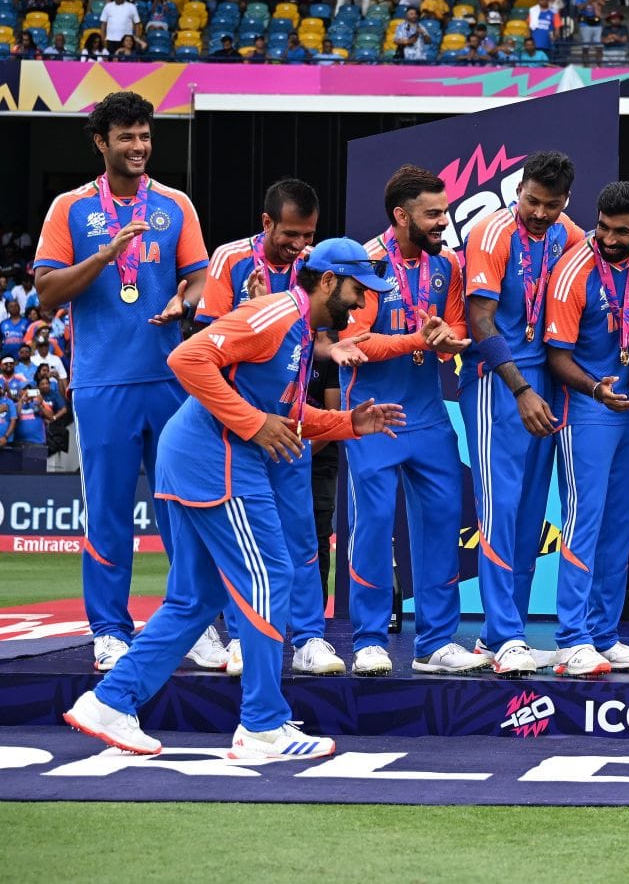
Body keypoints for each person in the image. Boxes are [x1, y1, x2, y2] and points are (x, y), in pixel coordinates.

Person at [62, 241, 405, 762]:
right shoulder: (275, 314)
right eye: (358, 292)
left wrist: (348, 424)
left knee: (194, 600)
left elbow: (284, 415)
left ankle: (109, 703)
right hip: (214, 461)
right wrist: (252, 423)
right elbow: (187, 357)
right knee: (272, 575)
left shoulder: (298, 328)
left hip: (199, 458)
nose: (361, 305)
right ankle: (262, 726)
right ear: (329, 281)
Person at [33, 92, 207, 673]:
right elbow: (49, 292)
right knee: (107, 510)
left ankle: (193, 619)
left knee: (184, 507)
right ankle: (109, 629)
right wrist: (105, 256)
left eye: (145, 136)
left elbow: (200, 282)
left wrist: (183, 300)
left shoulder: (175, 204)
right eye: (126, 137)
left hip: (171, 379)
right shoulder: (70, 209)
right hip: (102, 381)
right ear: (100, 142)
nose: (138, 147)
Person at [335, 166, 490, 677]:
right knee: (374, 527)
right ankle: (370, 640)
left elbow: (456, 324)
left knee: (444, 525)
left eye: (445, 211)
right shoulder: (364, 261)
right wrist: (421, 340)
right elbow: (357, 344)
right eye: (433, 214)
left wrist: (449, 336)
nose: (443, 222)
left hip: (428, 417)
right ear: (401, 216)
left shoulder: (445, 263)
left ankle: (436, 642)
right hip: (374, 418)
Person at [193, 178, 333, 675]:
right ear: (267, 222)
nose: (300, 244)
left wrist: (332, 348)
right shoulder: (229, 260)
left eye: (308, 234)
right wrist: (245, 309)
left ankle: (311, 638)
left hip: (290, 419)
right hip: (238, 426)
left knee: (300, 536)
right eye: (291, 234)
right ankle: (239, 639)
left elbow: (312, 337)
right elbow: (206, 342)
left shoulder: (314, 267)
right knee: (244, 538)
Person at [460, 152, 585, 675]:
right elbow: (480, 318)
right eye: (531, 201)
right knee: (498, 509)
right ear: (520, 191)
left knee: (532, 513)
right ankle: (507, 634)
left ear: (565, 202)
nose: (538, 212)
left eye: (550, 205)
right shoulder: (491, 233)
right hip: (499, 383)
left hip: (548, 381)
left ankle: (498, 636)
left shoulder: (568, 232)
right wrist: (520, 389)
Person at [544, 182, 629, 678]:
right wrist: (595, 391)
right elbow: (557, 358)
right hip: (586, 408)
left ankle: (603, 634)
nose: (609, 238)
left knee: (619, 524)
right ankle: (572, 638)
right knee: (583, 520)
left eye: (622, 231)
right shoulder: (573, 272)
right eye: (604, 228)